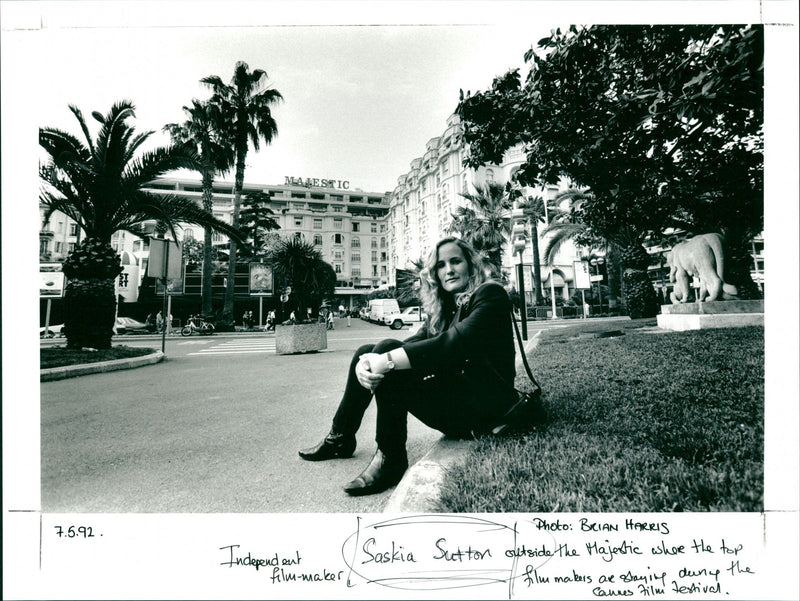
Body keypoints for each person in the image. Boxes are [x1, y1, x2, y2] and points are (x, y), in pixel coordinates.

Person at [298, 237, 517, 496]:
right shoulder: (445, 310)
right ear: (434, 273)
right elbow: (409, 344)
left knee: (387, 356)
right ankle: (340, 438)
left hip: (485, 411)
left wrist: (384, 361)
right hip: (459, 404)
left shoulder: (490, 295)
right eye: (441, 265)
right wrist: (365, 363)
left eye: (456, 261)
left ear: (471, 265)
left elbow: (455, 343)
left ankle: (391, 459)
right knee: (368, 350)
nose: (449, 270)